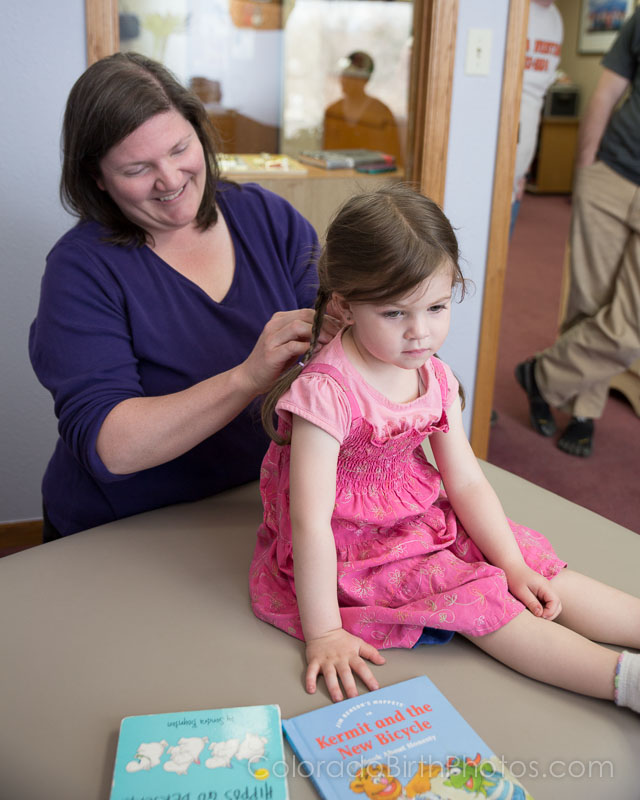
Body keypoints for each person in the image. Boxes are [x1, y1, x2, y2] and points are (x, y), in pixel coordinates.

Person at [249, 185, 640, 713]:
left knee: (528, 563)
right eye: (394, 314)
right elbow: (310, 523)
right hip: (355, 545)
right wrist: (324, 633)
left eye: (436, 307)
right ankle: (622, 681)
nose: (421, 334)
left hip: (419, 514)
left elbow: (467, 480)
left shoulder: (432, 375)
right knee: (480, 599)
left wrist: (512, 563)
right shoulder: (326, 393)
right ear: (345, 304)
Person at [29, 52, 338, 539]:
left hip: (254, 506)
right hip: (127, 527)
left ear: (200, 131)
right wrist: (245, 379)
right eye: (137, 168)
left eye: (179, 149)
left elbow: (333, 338)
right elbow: (114, 446)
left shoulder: (266, 218)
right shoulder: (80, 269)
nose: (170, 180)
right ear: (97, 178)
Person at [517, 9, 640, 457]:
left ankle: (542, 377)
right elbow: (607, 90)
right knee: (589, 301)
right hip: (610, 172)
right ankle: (584, 412)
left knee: (631, 324)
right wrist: (586, 169)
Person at [510, 0, 563, 236]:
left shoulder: (555, 18)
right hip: (501, 139)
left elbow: (536, 99)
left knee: (500, 246)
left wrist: (524, 164)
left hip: (522, 153)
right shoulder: (512, 8)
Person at [323, 51, 401, 165]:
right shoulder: (332, 111)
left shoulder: (381, 113)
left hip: (373, 178)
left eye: (352, 77)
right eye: (344, 75)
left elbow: (393, 158)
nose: (345, 81)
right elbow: (325, 154)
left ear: (365, 80)